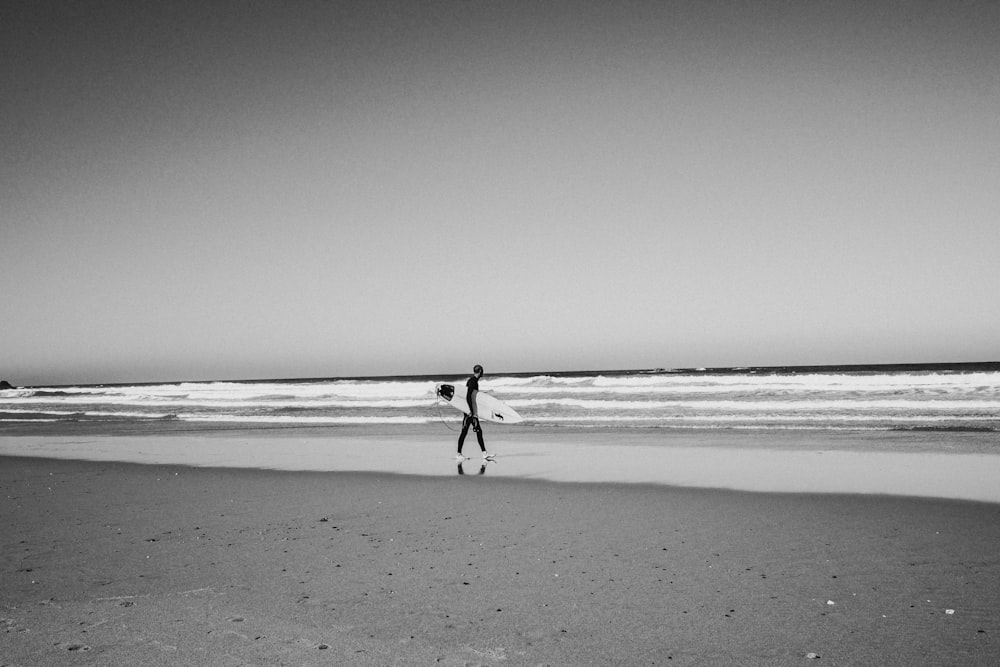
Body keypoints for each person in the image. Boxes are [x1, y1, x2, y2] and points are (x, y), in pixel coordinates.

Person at [457, 364, 493, 460]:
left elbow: (473, 397)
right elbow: (468, 396)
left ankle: (484, 453)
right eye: (482, 371)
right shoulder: (473, 381)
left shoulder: (473, 381)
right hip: (470, 412)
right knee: (466, 432)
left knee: (476, 431)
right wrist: (470, 411)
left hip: (471, 411)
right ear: (480, 371)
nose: (483, 373)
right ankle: (459, 454)